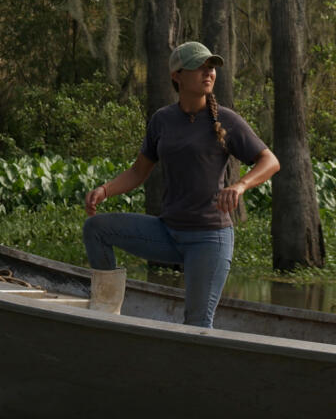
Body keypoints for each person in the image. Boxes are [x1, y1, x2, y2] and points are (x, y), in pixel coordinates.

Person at [82, 41, 280, 328]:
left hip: (209, 238)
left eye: (211, 68)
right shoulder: (162, 120)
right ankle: (105, 313)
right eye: (200, 67)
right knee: (96, 229)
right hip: (167, 232)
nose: (208, 73)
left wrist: (240, 185)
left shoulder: (226, 120)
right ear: (177, 76)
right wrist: (104, 190)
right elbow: (138, 171)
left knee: (197, 324)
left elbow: (270, 161)